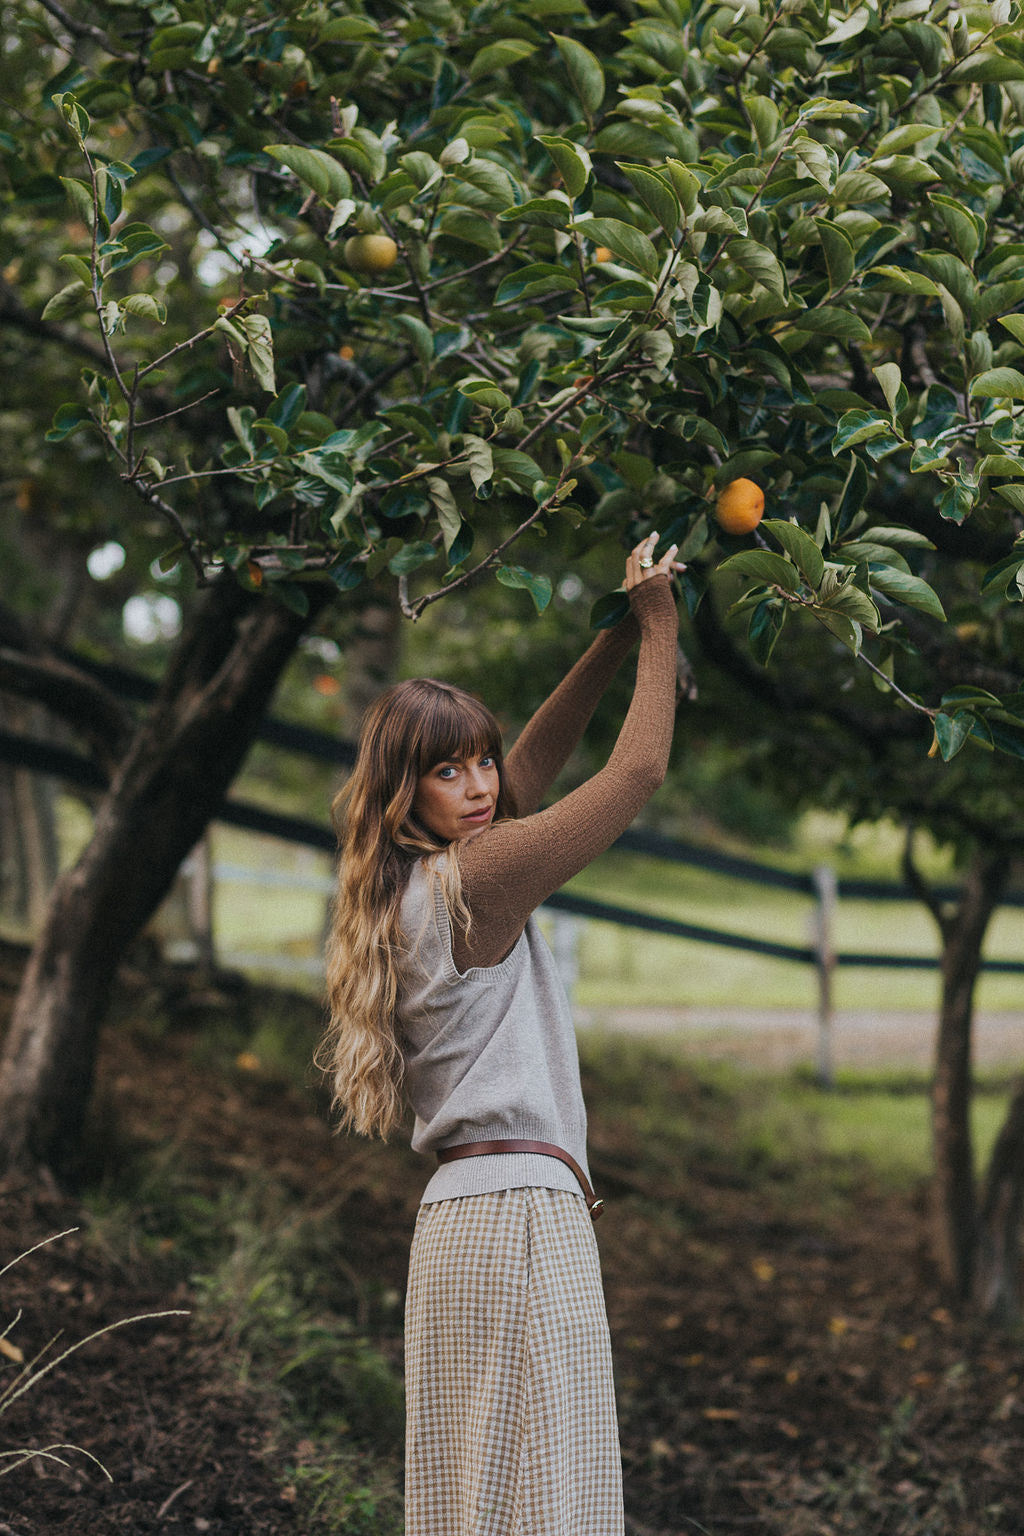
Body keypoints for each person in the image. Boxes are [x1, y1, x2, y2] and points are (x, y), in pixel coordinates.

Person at [319, 532, 684, 1536]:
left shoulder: (409, 888)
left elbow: (525, 774)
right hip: (521, 1212)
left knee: (471, 1504)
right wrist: (659, 623)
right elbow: (637, 772)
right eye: (449, 771)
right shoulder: (478, 882)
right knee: (551, 1503)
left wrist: (611, 634)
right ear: (408, 791)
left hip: (456, 1226)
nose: (480, 784)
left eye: (480, 760)